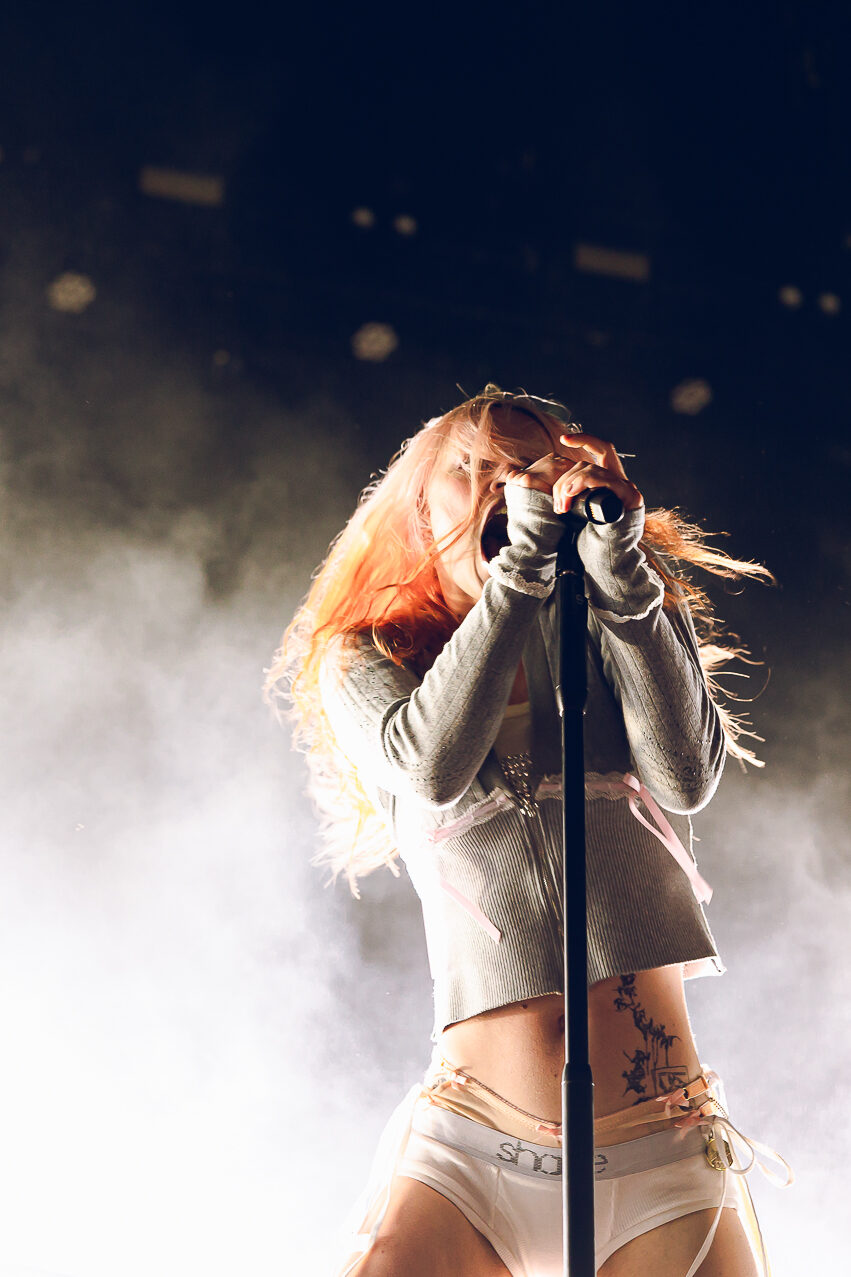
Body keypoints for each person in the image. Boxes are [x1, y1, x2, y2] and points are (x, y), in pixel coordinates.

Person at [267, 386, 792, 1277]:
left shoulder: (614, 627)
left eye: (523, 469)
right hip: (471, 1146)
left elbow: (685, 775)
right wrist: (515, 578)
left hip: (658, 1143)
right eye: (470, 468)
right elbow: (429, 763)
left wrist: (621, 571)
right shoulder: (370, 654)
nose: (498, 485)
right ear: (421, 503)